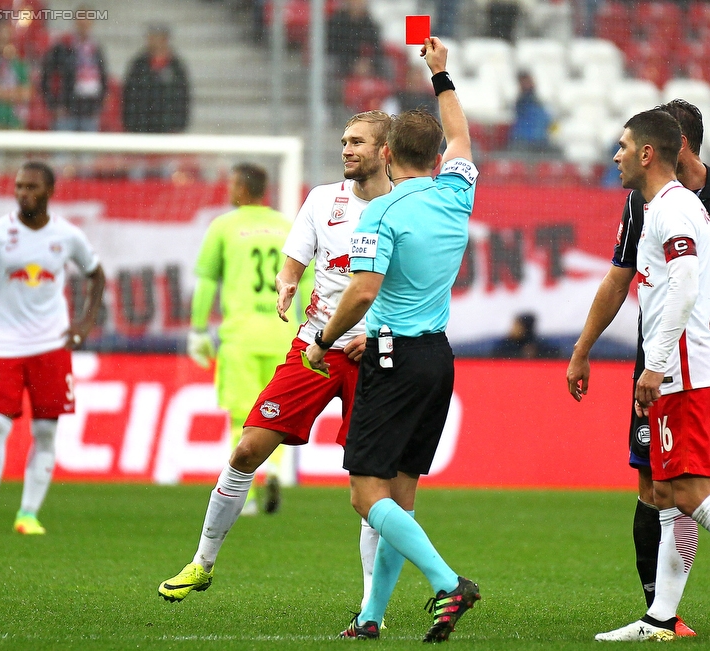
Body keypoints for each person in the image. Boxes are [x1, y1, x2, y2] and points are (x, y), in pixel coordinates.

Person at [157, 111, 393, 606]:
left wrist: (380, 333)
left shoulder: (405, 205)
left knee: (370, 488)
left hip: (376, 352)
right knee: (246, 450)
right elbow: (296, 257)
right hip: (313, 346)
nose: (347, 149)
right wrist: (288, 280)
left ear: (385, 151)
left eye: (358, 142)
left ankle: (372, 606)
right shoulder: (321, 199)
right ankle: (201, 563)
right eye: (344, 140)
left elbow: (416, 285)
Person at [567, 99, 710, 635]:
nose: (613, 156)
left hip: (684, 364)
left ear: (647, 152)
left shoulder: (673, 208)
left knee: (689, 491)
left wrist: (655, 364)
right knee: (668, 495)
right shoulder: (657, 205)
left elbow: (684, 284)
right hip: (682, 363)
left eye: (621, 147)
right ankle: (661, 616)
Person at [304, 37, 481, 642]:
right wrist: (441, 74)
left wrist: (324, 340)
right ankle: (372, 617)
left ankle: (448, 583)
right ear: (435, 156)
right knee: (399, 503)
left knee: (364, 495)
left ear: (385, 153)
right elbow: (460, 137)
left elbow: (359, 292)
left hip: (392, 358)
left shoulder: (379, 213)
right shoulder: (457, 191)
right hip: (437, 357)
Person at [0, 161, 106, 535]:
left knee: (45, 431)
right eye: (18, 187)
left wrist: (85, 321)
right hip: (6, 347)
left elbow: (97, 276)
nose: (23, 193)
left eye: (31, 187)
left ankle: (27, 515)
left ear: (49, 191)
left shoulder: (67, 235)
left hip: (51, 346)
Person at [186, 163, 297, 516]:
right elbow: (306, 280)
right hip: (282, 334)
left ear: (241, 188)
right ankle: (276, 469)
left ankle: (244, 497)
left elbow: (206, 281)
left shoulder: (224, 226)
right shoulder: (285, 226)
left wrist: (198, 329)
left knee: (241, 417)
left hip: (240, 336)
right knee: (276, 414)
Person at [39, 9, 108, 132]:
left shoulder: (96, 49)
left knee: (87, 149)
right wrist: (53, 105)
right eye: (81, 20)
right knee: (62, 149)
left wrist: (99, 105)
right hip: (66, 110)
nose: (84, 24)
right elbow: (45, 76)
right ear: (75, 22)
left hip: (89, 111)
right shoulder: (62, 47)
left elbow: (103, 78)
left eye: (87, 20)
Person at [122, 24, 190, 134]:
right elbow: (129, 95)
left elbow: (183, 97)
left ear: (165, 39)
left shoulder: (176, 67)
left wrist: (179, 125)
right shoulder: (139, 65)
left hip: (168, 127)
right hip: (142, 127)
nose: (151, 40)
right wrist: (131, 124)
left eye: (155, 37)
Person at [326, 0, 382, 79]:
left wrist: (369, 63)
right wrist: (352, 64)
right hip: (341, 66)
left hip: (365, 67)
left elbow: (378, 50)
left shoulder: (370, 24)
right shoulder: (337, 22)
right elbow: (332, 49)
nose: (358, 3)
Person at [508, 72, 555, 154]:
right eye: (526, 82)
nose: (530, 84)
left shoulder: (538, 102)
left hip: (541, 141)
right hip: (523, 141)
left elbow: (549, 121)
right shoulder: (523, 101)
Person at [493, 312, 558, 359]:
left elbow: (555, 354)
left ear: (525, 328)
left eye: (517, 326)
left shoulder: (537, 344)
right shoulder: (506, 344)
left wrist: (537, 353)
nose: (513, 329)